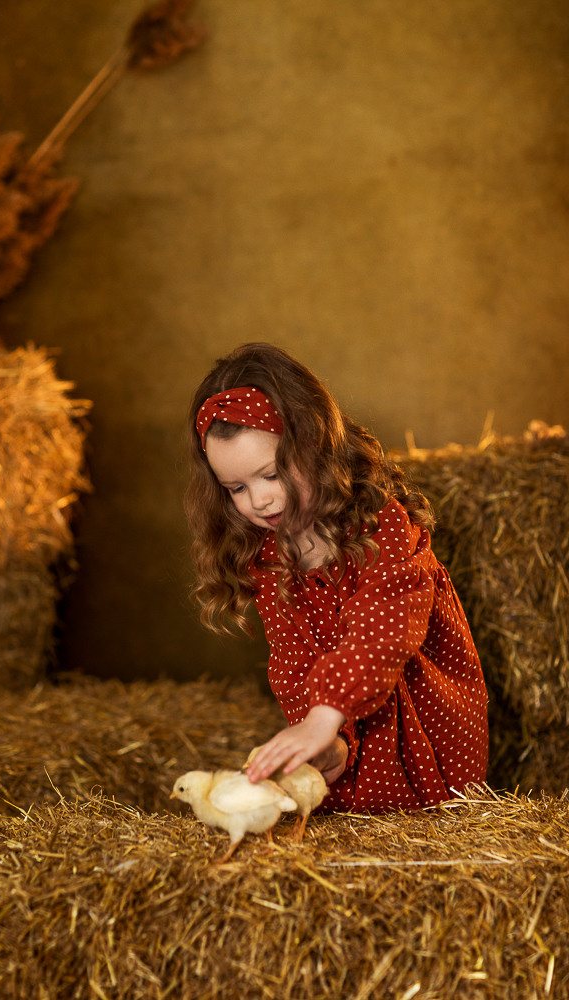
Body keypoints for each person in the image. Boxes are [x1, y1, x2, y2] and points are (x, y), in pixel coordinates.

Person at [185, 342, 488, 813]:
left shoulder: (380, 524)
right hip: (338, 723)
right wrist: (329, 736)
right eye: (237, 488)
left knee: (430, 831)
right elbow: (292, 662)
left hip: (425, 719)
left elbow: (383, 630)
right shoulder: (268, 557)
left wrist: (325, 716)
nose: (260, 500)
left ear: (312, 443)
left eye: (271, 474)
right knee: (350, 835)